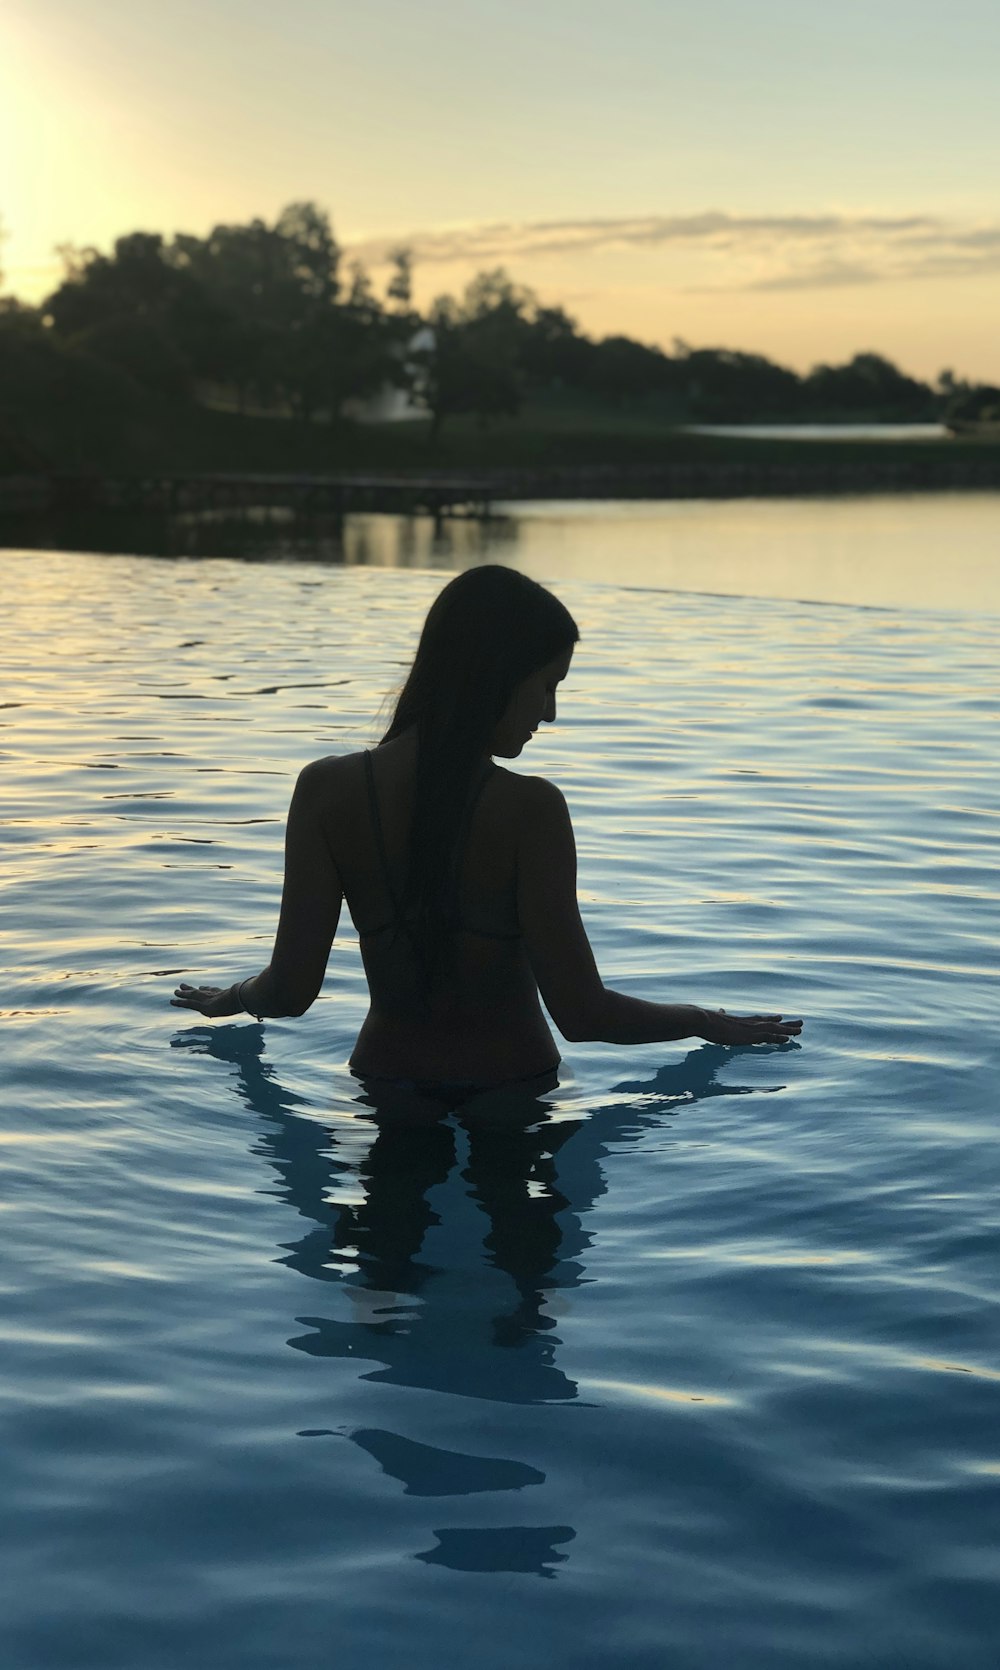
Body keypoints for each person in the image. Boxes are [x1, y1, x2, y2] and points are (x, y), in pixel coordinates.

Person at [171, 565, 802, 1089]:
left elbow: (290, 992)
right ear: (495, 676)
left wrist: (232, 997)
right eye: (547, 687)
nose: (550, 714)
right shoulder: (531, 810)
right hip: (515, 1091)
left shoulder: (325, 791)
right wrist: (702, 1020)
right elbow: (582, 1015)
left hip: (388, 1088)